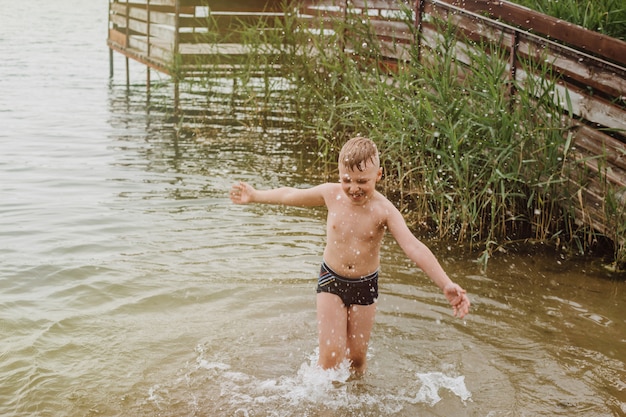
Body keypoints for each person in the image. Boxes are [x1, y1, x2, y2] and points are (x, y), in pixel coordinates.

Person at [230, 137, 470, 375]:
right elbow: (289, 195)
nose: (354, 188)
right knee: (330, 358)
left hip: (365, 285)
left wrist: (445, 283)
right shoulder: (330, 195)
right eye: (347, 180)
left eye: (362, 181)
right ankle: (322, 406)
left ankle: (356, 401)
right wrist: (255, 195)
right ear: (339, 174)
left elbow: (414, 247)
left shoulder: (384, 210)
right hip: (331, 280)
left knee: (356, 359)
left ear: (378, 175)